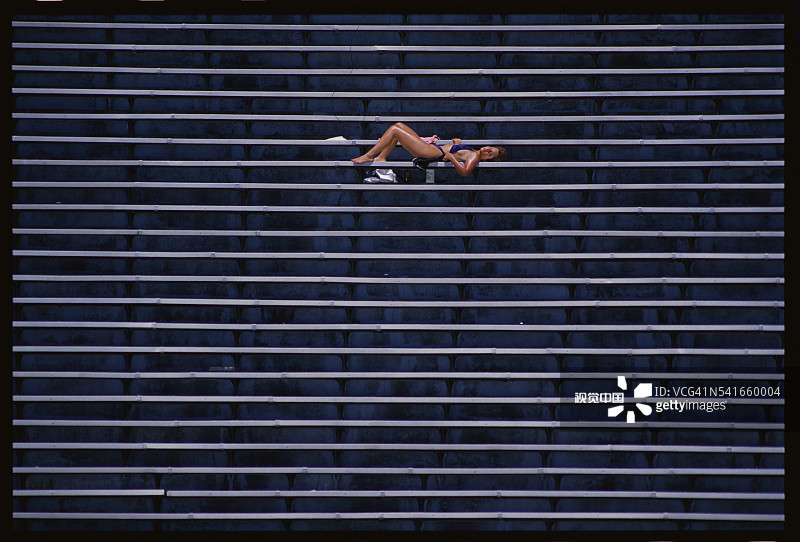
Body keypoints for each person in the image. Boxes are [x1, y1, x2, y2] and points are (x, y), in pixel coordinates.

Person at [351, 122, 506, 177]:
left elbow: (465, 172)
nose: (487, 149)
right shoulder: (472, 151)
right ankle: (381, 157)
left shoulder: (474, 156)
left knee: (395, 130)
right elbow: (460, 152)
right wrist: (456, 143)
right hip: (433, 149)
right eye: (490, 148)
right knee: (398, 126)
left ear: (487, 159)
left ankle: (369, 155)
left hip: (432, 152)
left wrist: (451, 157)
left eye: (490, 153)